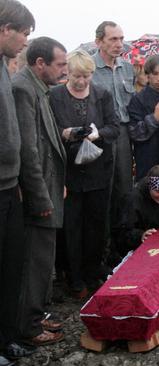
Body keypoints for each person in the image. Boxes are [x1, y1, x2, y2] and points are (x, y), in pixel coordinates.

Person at [49, 49, 120, 297]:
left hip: (97, 170)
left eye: (86, 77)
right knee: (70, 226)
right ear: (68, 73)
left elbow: (115, 128)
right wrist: (66, 133)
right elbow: (48, 128)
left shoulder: (102, 94)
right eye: (77, 76)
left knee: (95, 226)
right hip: (68, 172)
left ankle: (92, 273)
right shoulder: (55, 95)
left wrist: (96, 133)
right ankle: (73, 276)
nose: (81, 82)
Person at [13, 36, 67, 348]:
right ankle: (29, 326)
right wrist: (41, 196)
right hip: (38, 194)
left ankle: (36, 313)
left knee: (42, 261)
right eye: (60, 64)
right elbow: (29, 151)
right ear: (40, 63)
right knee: (35, 261)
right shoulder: (23, 88)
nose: (64, 70)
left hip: (47, 185)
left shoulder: (37, 87)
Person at [0, 1, 34, 363]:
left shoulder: (4, 70)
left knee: (11, 267)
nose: (25, 41)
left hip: (10, 185)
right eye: (24, 33)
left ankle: (6, 337)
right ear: (6, 28)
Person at [92, 21, 136, 251]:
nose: (119, 44)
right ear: (99, 41)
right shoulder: (89, 67)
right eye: (113, 39)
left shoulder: (127, 68)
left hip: (124, 134)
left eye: (121, 38)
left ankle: (122, 244)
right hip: (100, 135)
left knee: (124, 189)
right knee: (104, 190)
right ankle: (102, 246)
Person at [127, 54, 159, 180]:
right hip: (147, 158)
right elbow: (134, 133)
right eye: (155, 74)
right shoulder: (137, 99)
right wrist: (155, 118)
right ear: (147, 75)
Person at [116, 165, 159, 255]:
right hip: (140, 249)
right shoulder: (133, 199)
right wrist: (141, 235)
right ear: (149, 187)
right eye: (158, 192)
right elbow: (122, 232)